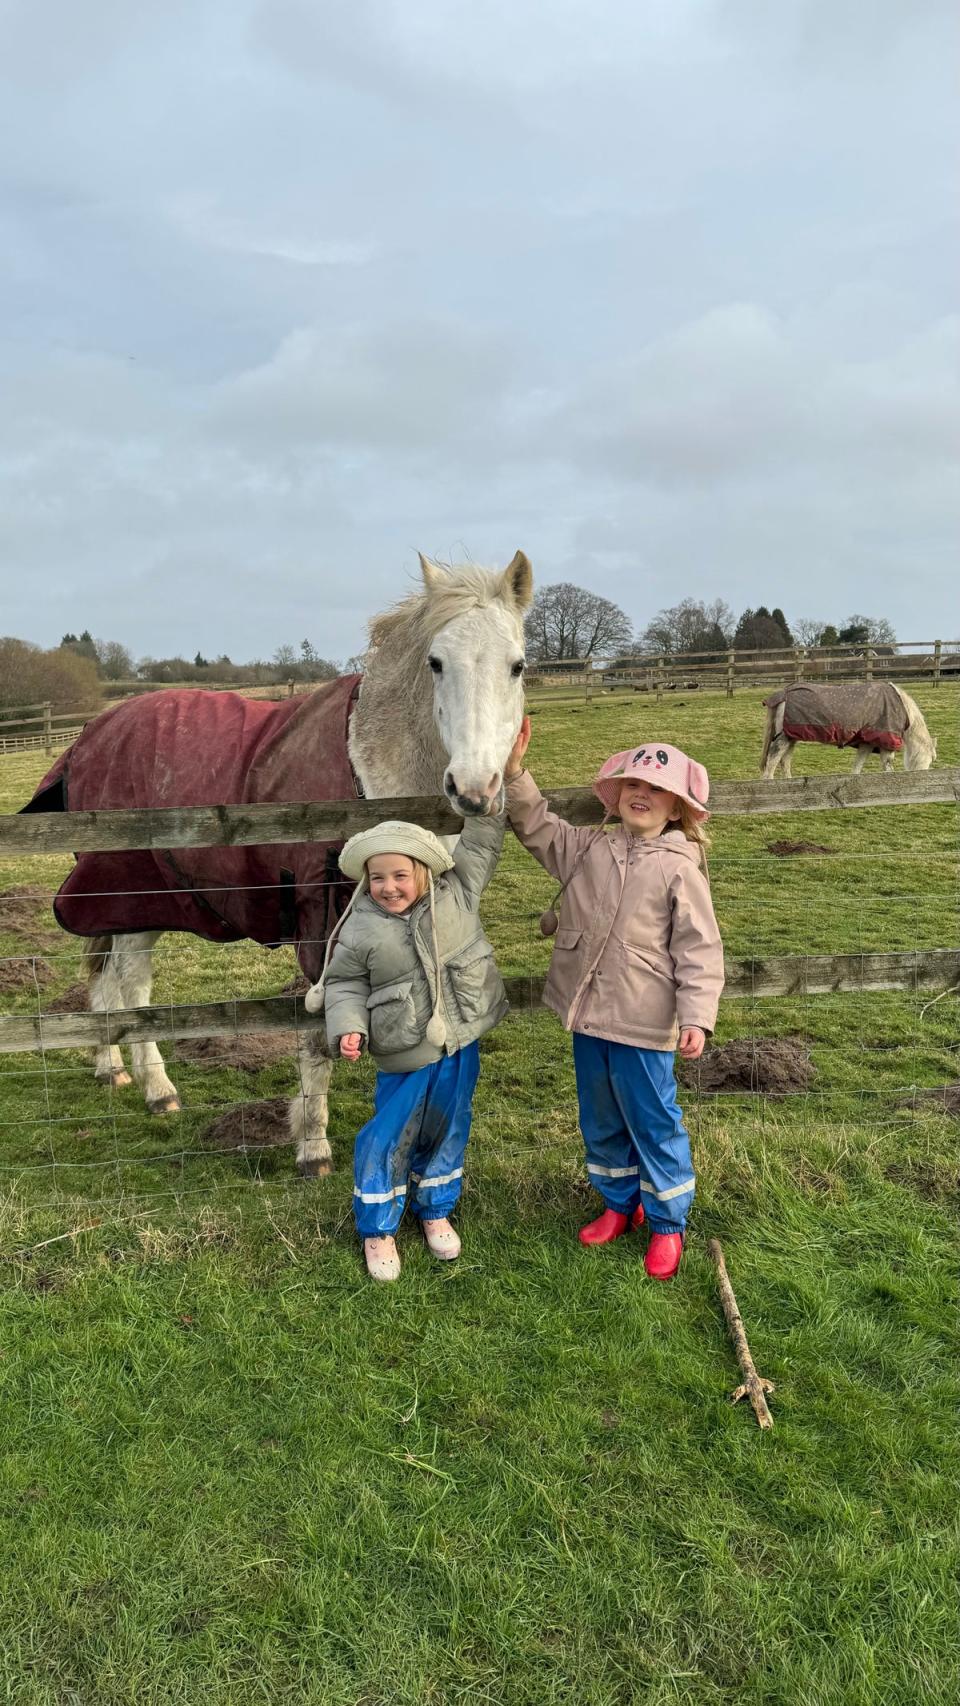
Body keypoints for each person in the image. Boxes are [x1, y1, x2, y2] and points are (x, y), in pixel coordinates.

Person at [504, 720, 724, 1280]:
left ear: (677, 808)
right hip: (588, 1012)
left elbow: (700, 948)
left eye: (656, 790)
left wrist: (697, 1015)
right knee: (599, 1116)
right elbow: (537, 827)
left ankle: (668, 1223)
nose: (641, 796)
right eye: (633, 786)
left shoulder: (679, 867)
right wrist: (514, 773)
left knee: (653, 1118)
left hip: (644, 1020)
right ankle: (618, 1204)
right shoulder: (586, 849)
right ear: (617, 794)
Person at [305, 814, 508, 1281]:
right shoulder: (359, 927)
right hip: (404, 1049)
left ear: (424, 871)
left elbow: (480, 843)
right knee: (390, 1132)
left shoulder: (457, 893)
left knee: (449, 1124)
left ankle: (434, 1206)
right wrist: (349, 1027)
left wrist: (498, 780)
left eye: (400, 875)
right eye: (378, 877)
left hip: (459, 1044)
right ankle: (378, 1226)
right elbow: (344, 984)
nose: (389, 887)